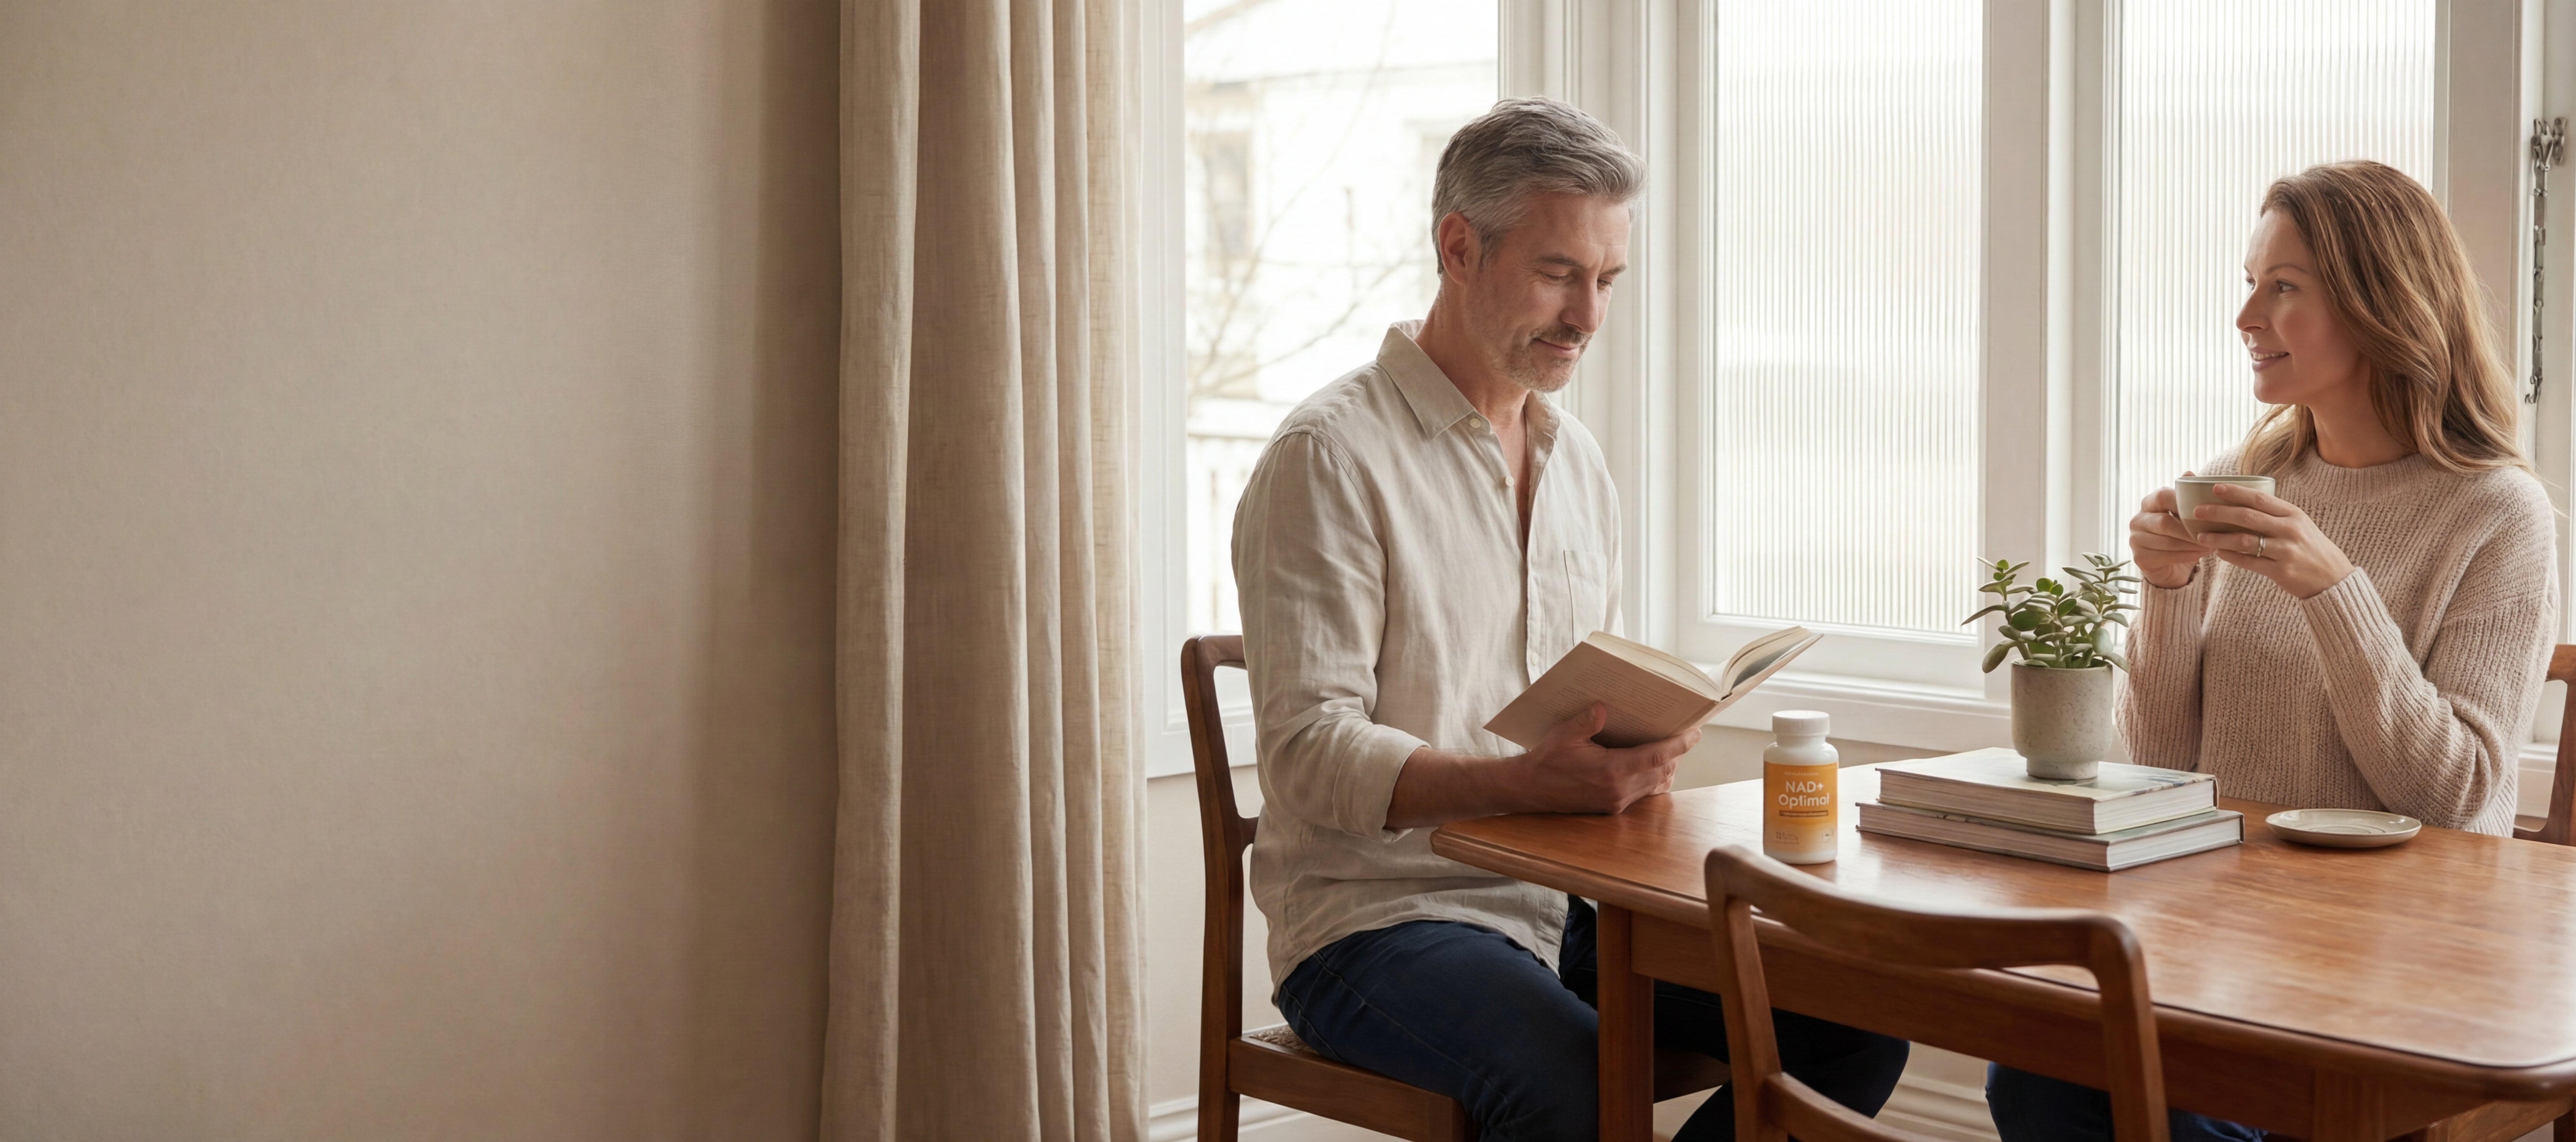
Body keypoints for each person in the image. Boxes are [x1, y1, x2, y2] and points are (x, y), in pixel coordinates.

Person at [1231, 97, 1909, 1142]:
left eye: (1606, 280)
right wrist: (1514, 783)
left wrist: (1640, 740)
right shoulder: (1329, 455)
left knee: (1854, 1021)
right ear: (1460, 248)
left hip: (1571, 902)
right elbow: (1306, 751)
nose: (1588, 316)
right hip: (1378, 922)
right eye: (1559, 273)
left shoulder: (1577, 462)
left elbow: (1586, 693)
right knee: (1572, 1090)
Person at [1989, 161, 2559, 1142]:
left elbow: (2458, 797)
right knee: (2037, 1070)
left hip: (2401, 958)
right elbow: (2160, 765)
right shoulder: (2241, 479)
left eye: (2283, 286)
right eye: (2250, 281)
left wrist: (2335, 589)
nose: (2246, 313)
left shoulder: (2497, 513)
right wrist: (2166, 591)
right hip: (2226, 931)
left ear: (2384, 302)